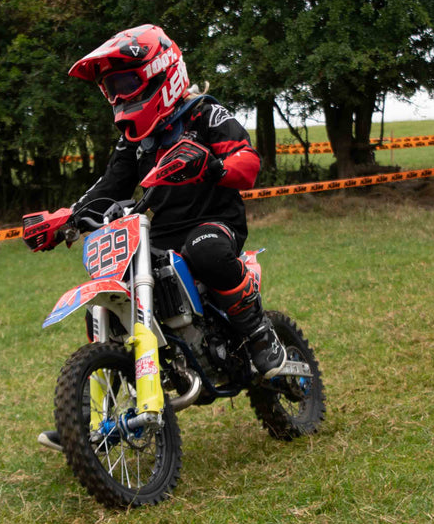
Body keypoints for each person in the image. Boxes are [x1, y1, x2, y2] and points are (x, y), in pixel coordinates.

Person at [22, 24, 287, 452]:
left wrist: (214, 167)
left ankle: (259, 333)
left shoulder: (204, 113)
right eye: (111, 88)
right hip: (156, 235)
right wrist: (67, 218)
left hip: (212, 221)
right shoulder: (135, 142)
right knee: (111, 295)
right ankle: (89, 421)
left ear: (161, 72)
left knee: (207, 250)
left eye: (125, 82)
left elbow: (248, 160)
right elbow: (108, 187)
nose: (119, 96)